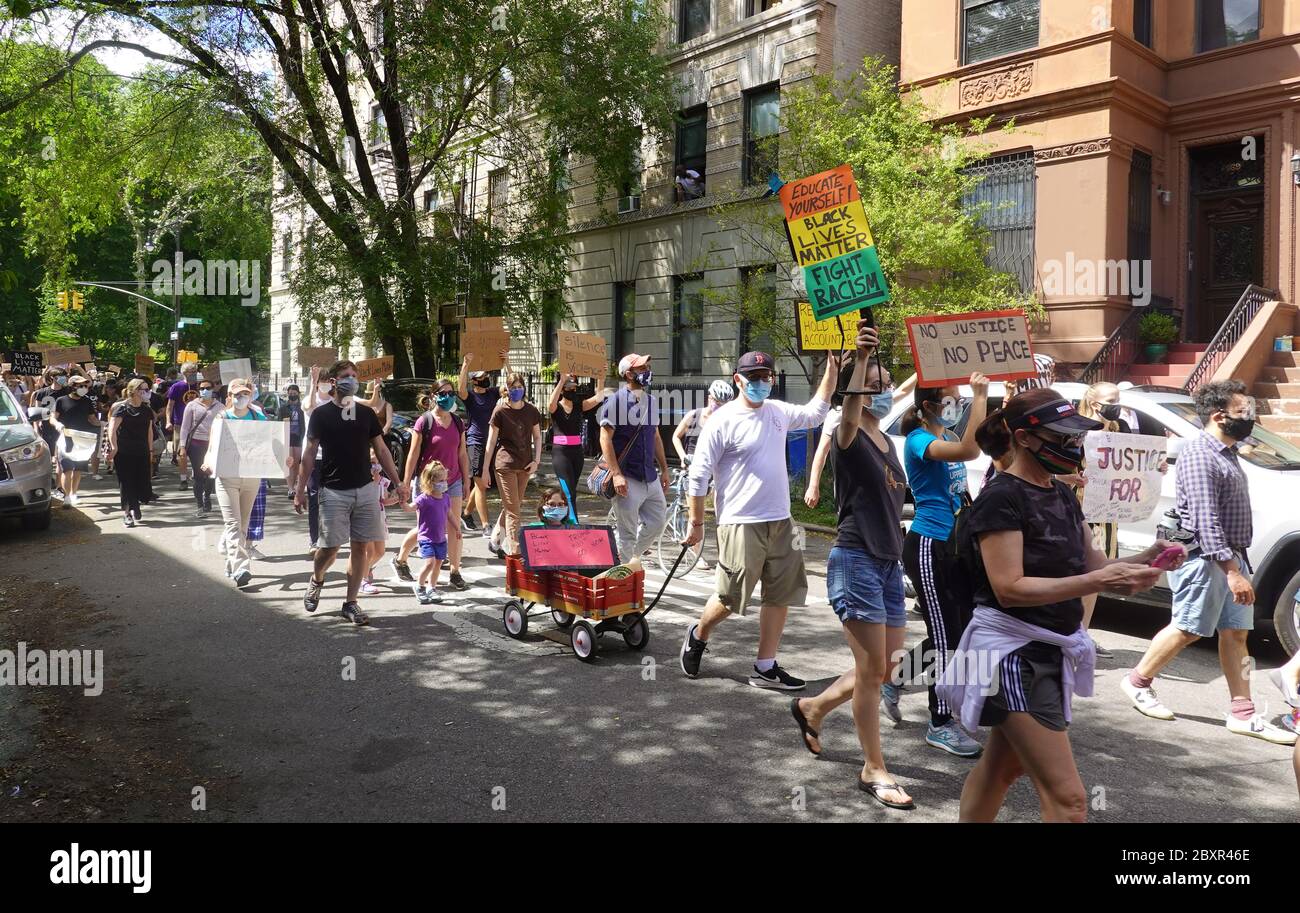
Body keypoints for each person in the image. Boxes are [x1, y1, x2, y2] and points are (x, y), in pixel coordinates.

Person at [942, 388, 1182, 822]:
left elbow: (1093, 565)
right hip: (1011, 657)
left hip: (1048, 650)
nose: (1074, 445)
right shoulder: (1002, 498)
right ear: (1025, 438)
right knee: (1070, 802)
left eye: (1076, 436)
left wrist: (1143, 559)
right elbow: (1008, 588)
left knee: (1002, 768)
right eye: (1063, 437)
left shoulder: (1061, 495)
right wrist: (1099, 579)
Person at [1121, 380, 1295, 745]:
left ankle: (1243, 712)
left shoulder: (1227, 451)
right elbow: (1205, 519)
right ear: (1219, 415)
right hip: (1206, 559)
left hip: (1230, 557)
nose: (1250, 416)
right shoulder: (1201, 454)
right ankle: (1138, 682)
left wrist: (1235, 566)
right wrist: (1232, 572)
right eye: (1242, 411)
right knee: (1188, 628)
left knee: (1236, 634)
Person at [787, 324, 917, 809]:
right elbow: (848, 412)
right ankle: (874, 768)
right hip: (856, 559)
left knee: (884, 669)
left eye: (886, 384)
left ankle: (812, 706)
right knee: (870, 673)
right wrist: (859, 359)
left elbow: (906, 389)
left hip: (887, 563)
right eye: (874, 384)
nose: (883, 391)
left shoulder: (886, 440)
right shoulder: (848, 435)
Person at [680, 349, 837, 688]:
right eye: (754, 378)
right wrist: (696, 524)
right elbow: (698, 476)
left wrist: (832, 368)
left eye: (766, 377)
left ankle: (765, 667)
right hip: (739, 521)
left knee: (780, 594)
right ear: (738, 380)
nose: (762, 383)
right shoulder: (722, 421)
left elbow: (816, 413)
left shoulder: (778, 412)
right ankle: (699, 632)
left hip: (780, 519)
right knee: (730, 598)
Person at [896, 373, 990, 758]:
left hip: (954, 548)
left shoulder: (948, 436)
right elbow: (972, 451)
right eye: (950, 399)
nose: (956, 404)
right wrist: (980, 396)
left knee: (957, 631)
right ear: (928, 406)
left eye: (960, 399)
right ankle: (939, 722)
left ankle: (894, 678)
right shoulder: (920, 440)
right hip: (928, 547)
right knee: (948, 638)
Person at [296, 360, 408, 625]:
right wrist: (299, 489)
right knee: (329, 548)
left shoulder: (366, 414)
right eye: (346, 376)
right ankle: (317, 579)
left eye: (355, 376)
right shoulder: (321, 415)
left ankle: (351, 602)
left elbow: (381, 450)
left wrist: (398, 482)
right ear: (333, 382)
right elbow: (309, 453)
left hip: (365, 489)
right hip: (333, 491)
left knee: (361, 548)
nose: (352, 380)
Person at [393, 382, 470, 590]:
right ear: (433, 396)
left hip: (452, 481)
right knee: (425, 529)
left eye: (451, 393)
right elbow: (413, 454)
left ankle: (455, 571)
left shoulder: (457, 422)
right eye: (443, 393)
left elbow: (462, 453)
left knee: (453, 527)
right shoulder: (424, 421)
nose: (448, 397)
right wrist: (406, 483)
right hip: (428, 484)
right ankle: (400, 559)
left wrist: (466, 480)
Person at [1075, 382, 1132, 658]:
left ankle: (1082, 633)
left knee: (1097, 576)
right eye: (1112, 399)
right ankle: (1071, 633)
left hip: (1107, 515)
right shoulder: (1078, 430)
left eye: (1118, 399)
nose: (1117, 404)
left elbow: (1132, 465)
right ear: (1095, 403)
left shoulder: (1120, 430)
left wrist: (1153, 468)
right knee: (1081, 573)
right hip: (1082, 512)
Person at [598, 354, 670, 563]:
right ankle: (625, 579)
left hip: (650, 475)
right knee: (627, 532)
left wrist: (664, 468)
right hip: (627, 477)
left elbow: (655, 435)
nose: (647, 370)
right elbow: (605, 439)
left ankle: (632, 558)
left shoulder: (652, 401)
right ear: (628, 374)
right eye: (641, 368)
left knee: (658, 521)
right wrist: (616, 474)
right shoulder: (615, 401)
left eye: (647, 366)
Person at [206, 379, 267, 588]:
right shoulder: (222, 416)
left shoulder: (258, 416)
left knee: (242, 524)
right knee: (233, 523)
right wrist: (208, 461)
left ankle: (229, 556)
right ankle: (242, 567)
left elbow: (269, 443)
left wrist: (282, 458)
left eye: (246, 394)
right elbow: (213, 445)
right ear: (229, 397)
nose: (242, 398)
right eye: (238, 394)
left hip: (251, 476)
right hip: (227, 476)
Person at [672, 378, 735, 570]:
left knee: (722, 511)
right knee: (694, 513)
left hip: (716, 468)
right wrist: (683, 457)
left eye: (725, 404)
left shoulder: (727, 420)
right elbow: (676, 436)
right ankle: (696, 553)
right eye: (717, 402)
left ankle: (726, 555)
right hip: (694, 466)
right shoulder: (694, 416)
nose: (720, 407)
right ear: (710, 398)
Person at [480, 372, 542, 558]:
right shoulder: (500, 411)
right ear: (506, 390)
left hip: (525, 465)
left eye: (519, 387)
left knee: (512, 506)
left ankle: (495, 540)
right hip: (505, 464)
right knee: (514, 510)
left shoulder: (531, 411)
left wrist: (537, 461)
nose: (517, 390)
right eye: (513, 387)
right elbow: (491, 442)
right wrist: (485, 470)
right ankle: (515, 551)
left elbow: (538, 437)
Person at [548, 373, 609, 522]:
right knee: (569, 493)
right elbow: (550, 405)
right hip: (561, 454)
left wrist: (601, 377)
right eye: (568, 387)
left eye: (574, 387)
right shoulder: (556, 406)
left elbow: (599, 398)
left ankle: (559, 519)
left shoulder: (579, 405)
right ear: (562, 389)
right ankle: (574, 524)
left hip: (577, 453)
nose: (572, 390)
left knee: (569, 491)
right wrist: (562, 380)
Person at [458, 351, 507, 533]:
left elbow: (511, 386)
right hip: (475, 441)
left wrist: (506, 362)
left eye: (487, 375)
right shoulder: (470, 397)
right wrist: (465, 365)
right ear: (474, 381)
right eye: (482, 377)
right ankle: (486, 525)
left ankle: (467, 512)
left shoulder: (493, 393)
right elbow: (460, 389)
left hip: (492, 442)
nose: (486, 378)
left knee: (480, 483)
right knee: (480, 484)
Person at [400, 460, 452, 605]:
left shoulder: (446, 498)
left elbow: (450, 514)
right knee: (429, 564)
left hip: (441, 538)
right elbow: (410, 508)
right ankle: (419, 586)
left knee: (437, 565)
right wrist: (403, 503)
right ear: (431, 481)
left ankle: (432, 588)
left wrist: (457, 528)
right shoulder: (424, 498)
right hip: (426, 538)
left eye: (445, 479)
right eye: (440, 480)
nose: (444, 483)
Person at [106, 378, 155, 528]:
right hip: (124, 451)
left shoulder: (146, 410)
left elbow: (149, 430)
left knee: (141, 480)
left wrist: (150, 449)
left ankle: (136, 504)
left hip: (142, 450)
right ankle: (127, 512)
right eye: (144, 390)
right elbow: (112, 429)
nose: (147, 393)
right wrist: (114, 447)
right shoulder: (122, 408)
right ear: (134, 391)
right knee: (126, 482)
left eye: (148, 389)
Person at [52, 374, 102, 508]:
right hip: (66, 438)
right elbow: (53, 418)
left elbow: (92, 418)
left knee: (78, 469)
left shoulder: (86, 401)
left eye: (86, 386)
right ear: (72, 386)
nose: (84, 388)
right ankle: (67, 496)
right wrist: (57, 424)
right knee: (66, 468)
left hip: (82, 439)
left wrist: (103, 424)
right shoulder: (61, 400)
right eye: (81, 385)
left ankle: (74, 494)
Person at [179, 377, 222, 518]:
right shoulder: (192, 405)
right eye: (202, 388)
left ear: (213, 389)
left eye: (208, 388)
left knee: (210, 474)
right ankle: (199, 505)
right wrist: (182, 446)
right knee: (199, 474)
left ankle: (207, 496)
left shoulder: (220, 407)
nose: (205, 391)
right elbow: (185, 428)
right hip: (196, 444)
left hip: (213, 444)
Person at [362, 447, 397, 596]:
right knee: (368, 551)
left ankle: (365, 569)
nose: (375, 466)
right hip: (365, 517)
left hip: (380, 517)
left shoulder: (383, 482)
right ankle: (362, 580)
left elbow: (383, 500)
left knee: (380, 551)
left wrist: (395, 499)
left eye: (377, 462)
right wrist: (373, 483)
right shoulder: (362, 480)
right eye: (371, 462)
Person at [165, 363, 200, 490]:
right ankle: (183, 479)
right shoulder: (176, 387)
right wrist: (168, 421)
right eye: (191, 371)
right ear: (184, 373)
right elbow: (170, 406)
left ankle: (198, 476)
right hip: (180, 424)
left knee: (199, 452)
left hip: (198, 424)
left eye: (195, 370)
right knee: (182, 452)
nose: (194, 373)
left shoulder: (200, 386)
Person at [278, 384, 306, 497]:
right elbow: (279, 423)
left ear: (298, 394)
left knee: (296, 464)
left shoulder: (302, 408)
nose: (292, 395)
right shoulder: (283, 408)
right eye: (290, 394)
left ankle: (294, 486)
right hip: (287, 437)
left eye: (294, 394)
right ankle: (290, 488)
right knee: (289, 463)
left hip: (299, 437)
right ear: (287, 394)